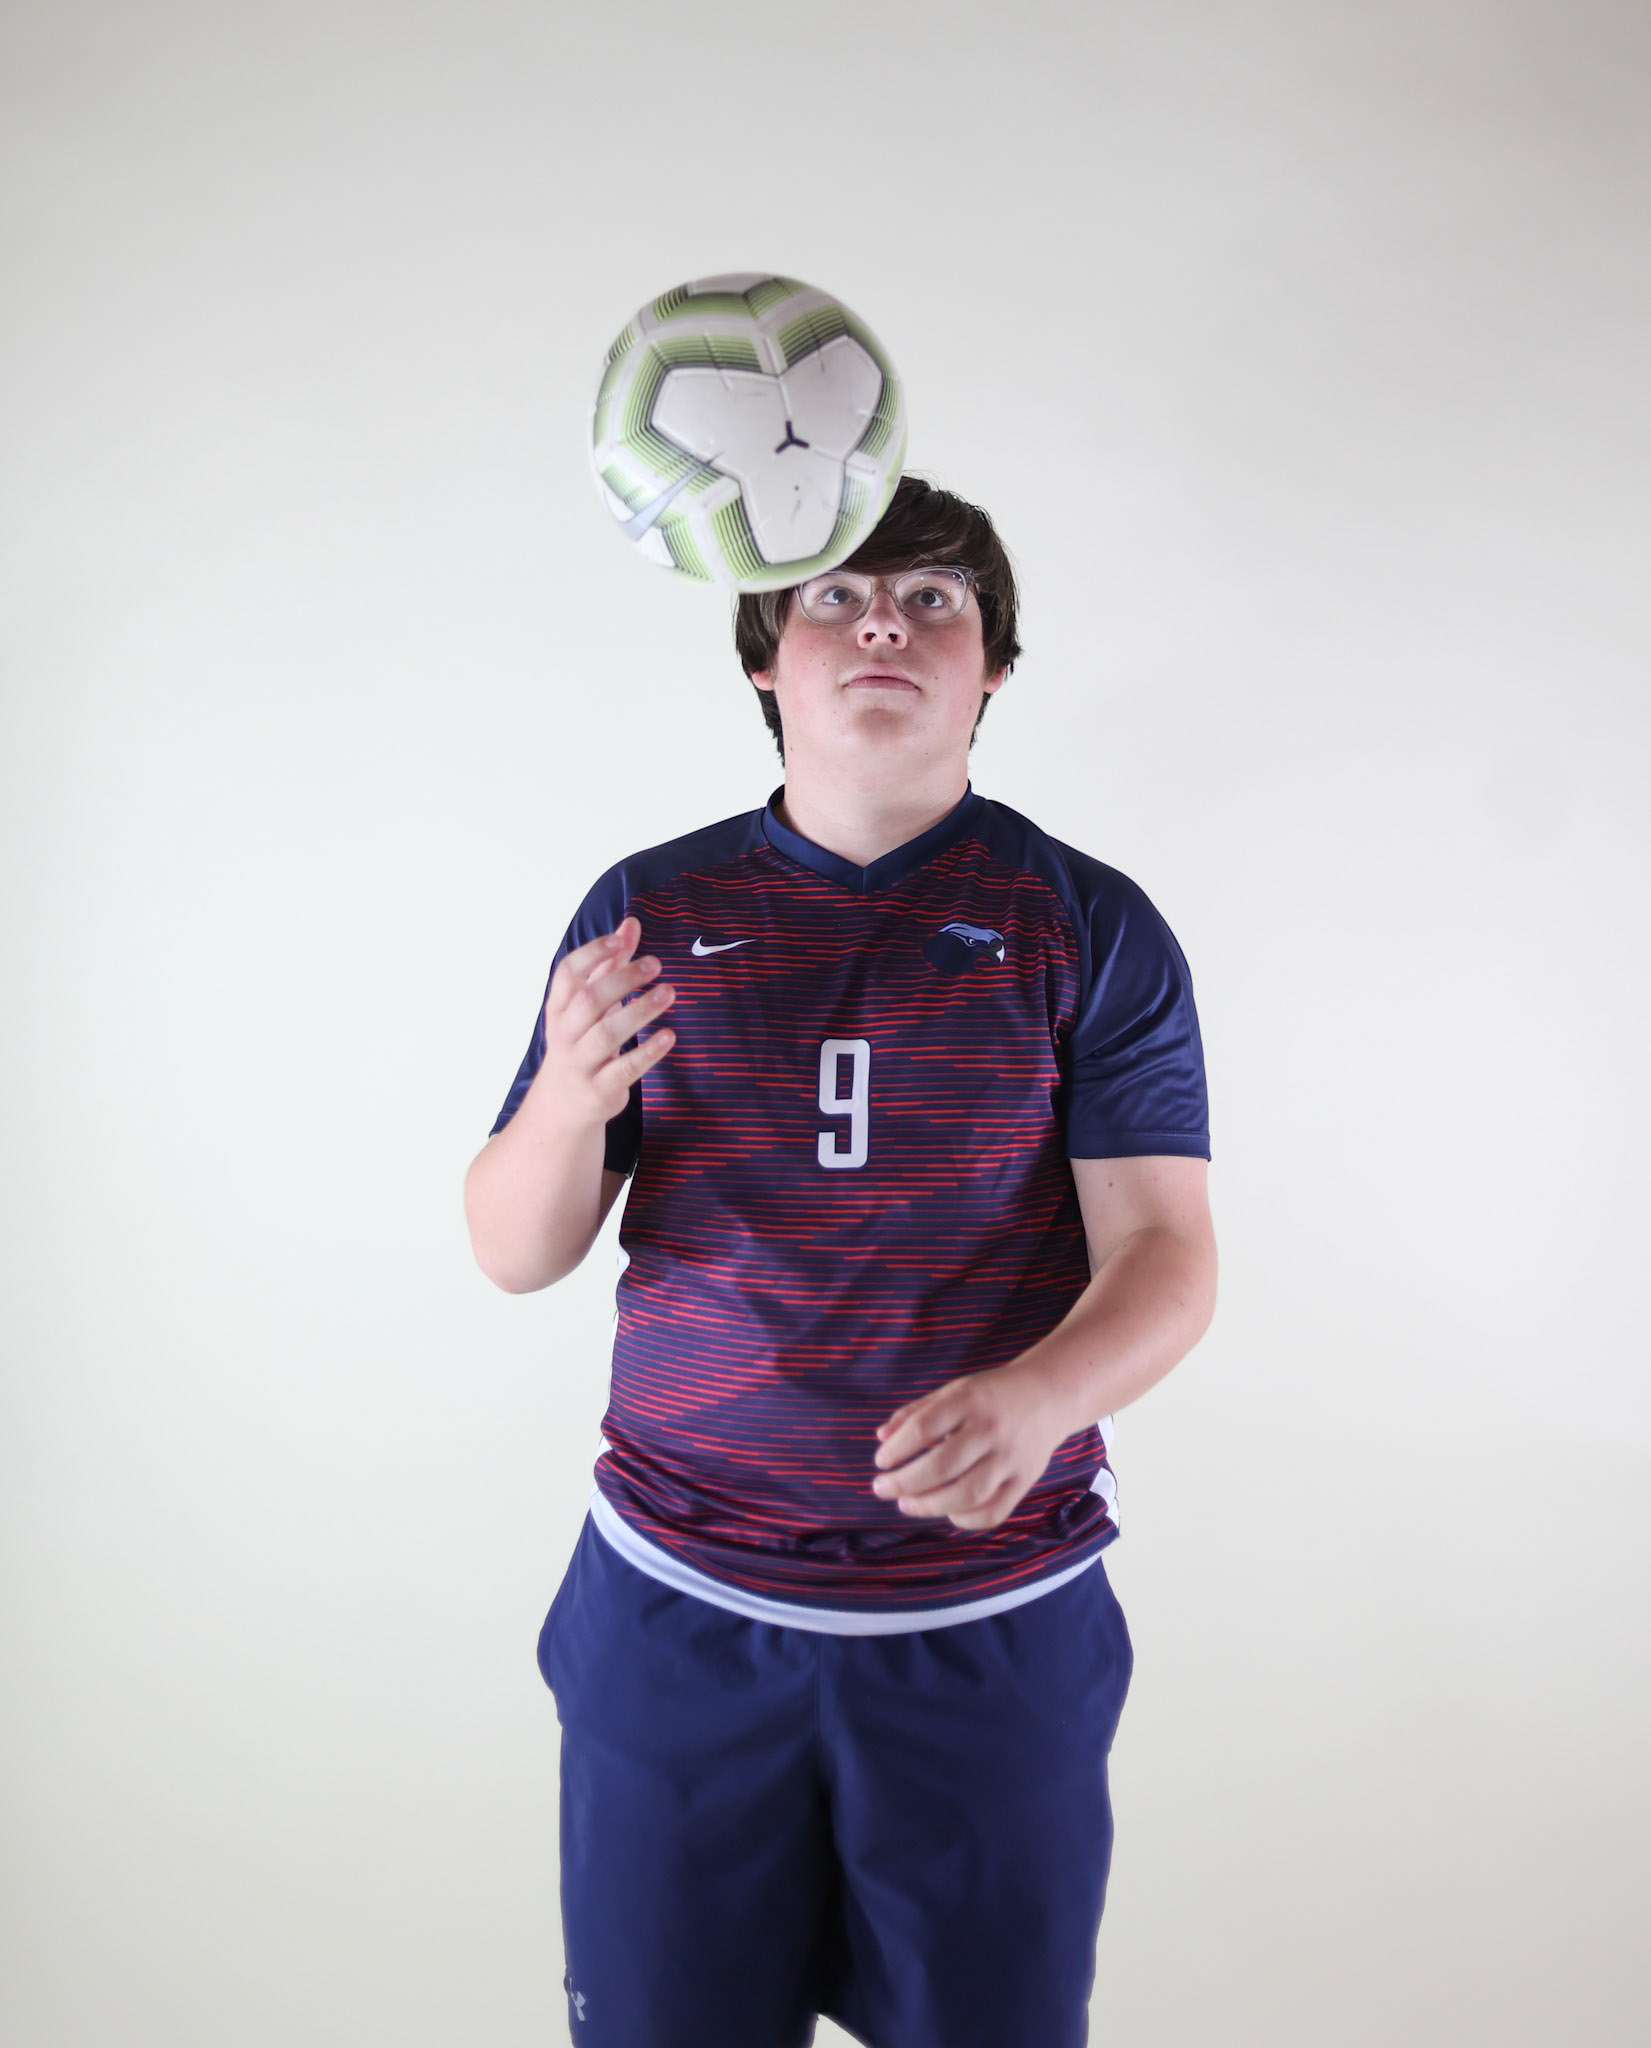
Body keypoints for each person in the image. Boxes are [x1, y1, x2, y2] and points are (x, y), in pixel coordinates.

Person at [464, 476, 1217, 2048]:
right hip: (676, 1615)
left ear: (993, 665)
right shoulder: (646, 911)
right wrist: (561, 1104)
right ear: (764, 654)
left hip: (985, 1634)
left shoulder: (1087, 924)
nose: (883, 619)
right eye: (834, 594)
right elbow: (513, 1249)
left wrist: (1038, 1398)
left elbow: (1165, 1252)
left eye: (934, 599)